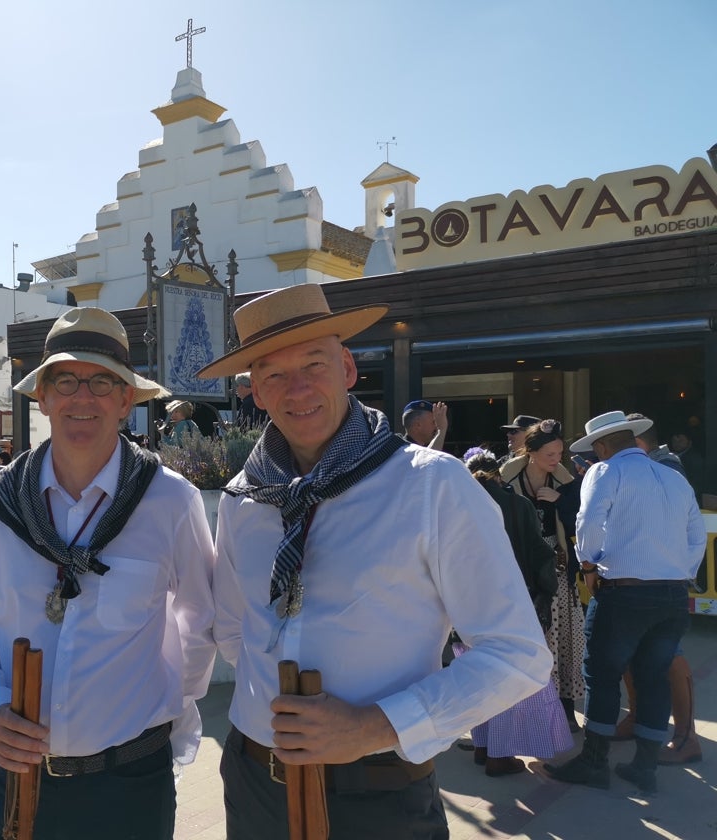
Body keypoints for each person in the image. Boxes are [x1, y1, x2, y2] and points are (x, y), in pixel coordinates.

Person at [196, 284, 550, 839]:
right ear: (255, 394)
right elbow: (234, 630)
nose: (298, 389)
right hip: (253, 784)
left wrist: (369, 727)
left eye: (313, 364)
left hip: (379, 794)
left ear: (347, 367)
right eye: (274, 376)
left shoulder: (432, 485)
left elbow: (518, 655)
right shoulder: (245, 498)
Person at [0, 307, 217, 840]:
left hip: (132, 784)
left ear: (124, 400)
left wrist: (162, 706)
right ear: (42, 397)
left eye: (101, 381)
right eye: (65, 380)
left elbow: (200, 620)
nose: (81, 396)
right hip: (18, 776)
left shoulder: (169, 501)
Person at [546, 411, 705, 794]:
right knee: (653, 677)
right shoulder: (672, 477)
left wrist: (588, 564)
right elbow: (696, 534)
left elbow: (588, 522)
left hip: (624, 590)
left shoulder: (604, 473)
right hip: (671, 594)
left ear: (601, 446)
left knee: (601, 675)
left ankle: (595, 761)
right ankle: (644, 766)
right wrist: (677, 571)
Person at [460, 450, 572, 777]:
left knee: (477, 678)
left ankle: (483, 747)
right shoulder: (517, 505)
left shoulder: (459, 507)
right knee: (506, 680)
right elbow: (540, 555)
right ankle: (500, 756)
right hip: (511, 606)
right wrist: (545, 592)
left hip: (468, 609)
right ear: (498, 474)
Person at [612, 413, 702, 764]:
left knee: (671, 656)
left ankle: (686, 736)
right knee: (634, 653)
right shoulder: (655, 467)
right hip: (640, 578)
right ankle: (639, 718)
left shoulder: (667, 469)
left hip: (662, 579)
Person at [500, 418, 586, 731]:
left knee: (563, 638)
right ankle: (526, 714)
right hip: (519, 568)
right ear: (530, 452)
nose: (556, 459)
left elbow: (582, 517)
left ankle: (565, 711)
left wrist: (561, 501)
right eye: (550, 454)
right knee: (527, 642)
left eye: (559, 453)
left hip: (557, 566)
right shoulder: (506, 481)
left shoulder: (565, 483)